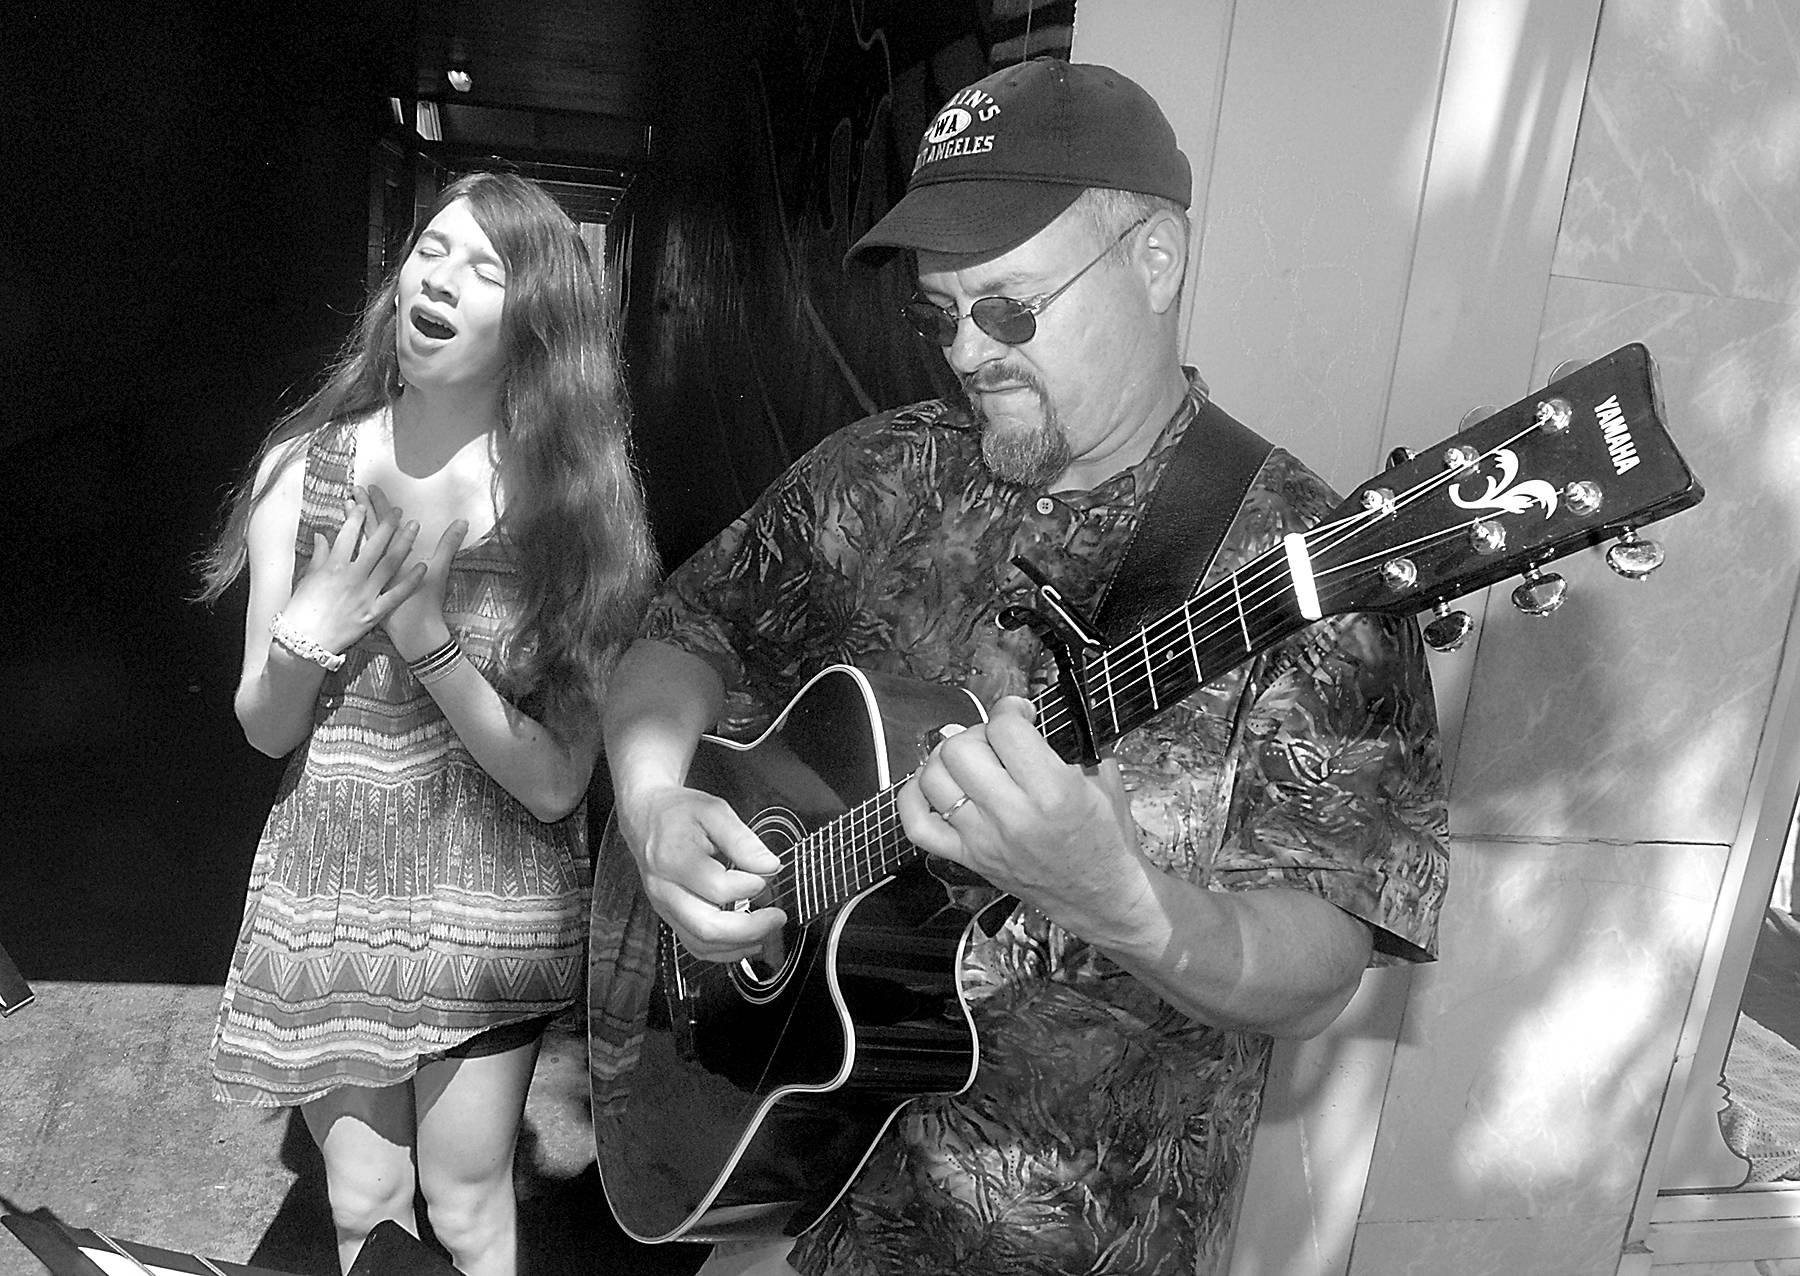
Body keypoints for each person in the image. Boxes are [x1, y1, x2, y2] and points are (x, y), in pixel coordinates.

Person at [597, 59, 1448, 1276]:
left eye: (1007, 306)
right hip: (793, 1203)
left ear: (1155, 261)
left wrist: (1124, 905)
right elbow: (685, 629)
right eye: (940, 314)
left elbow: (1324, 964)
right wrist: (652, 803)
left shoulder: (1309, 571)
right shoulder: (885, 469)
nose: (966, 351)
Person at [196, 170, 657, 1276]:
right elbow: (266, 727)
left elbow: (555, 784)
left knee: (460, 1205)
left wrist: (425, 638)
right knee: (363, 1200)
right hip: (335, 877)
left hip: (485, 895)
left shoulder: (576, 510)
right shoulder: (303, 470)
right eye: (431, 251)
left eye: (485, 267)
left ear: (536, 323)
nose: (440, 278)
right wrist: (318, 624)